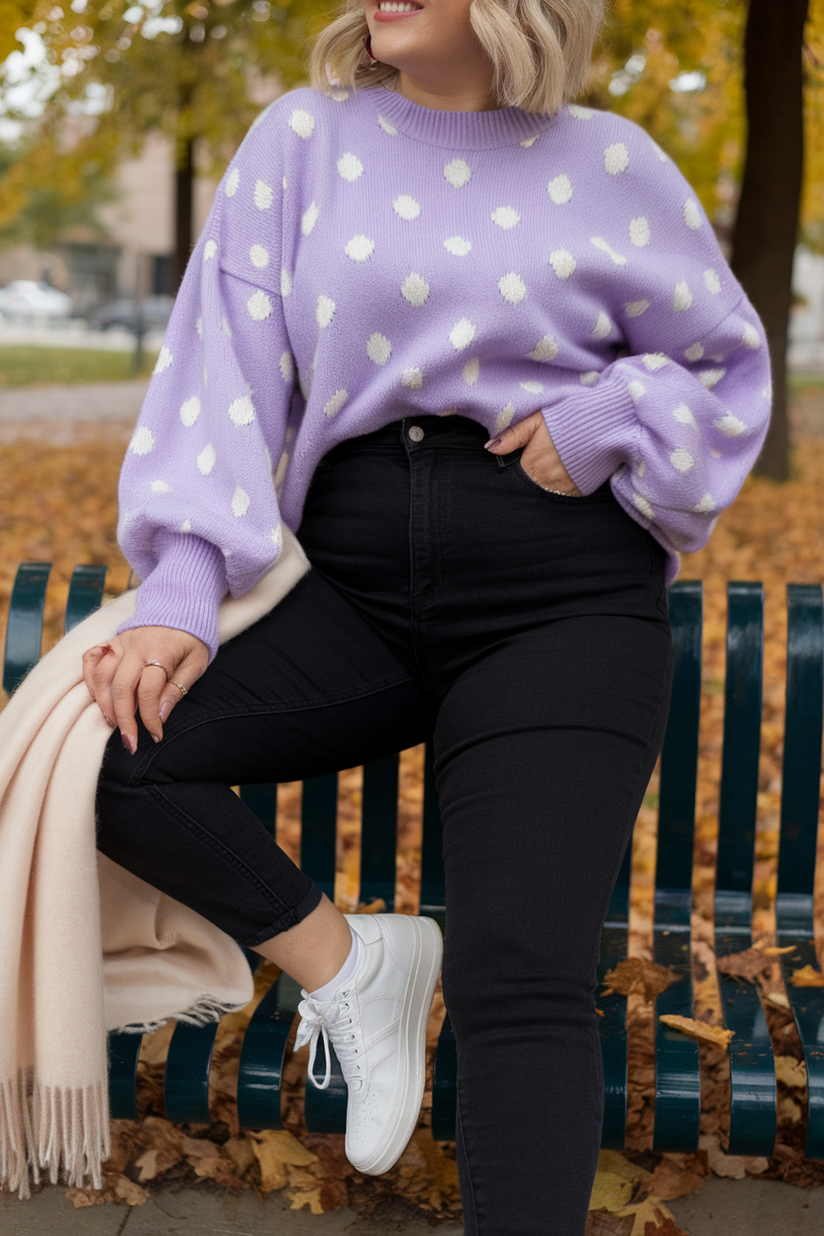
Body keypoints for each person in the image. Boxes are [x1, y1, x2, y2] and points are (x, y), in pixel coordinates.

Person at [85, 0, 771, 1230]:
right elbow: (219, 371)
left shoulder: (613, 161)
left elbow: (725, 366)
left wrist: (606, 414)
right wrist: (181, 585)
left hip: (559, 600)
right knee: (119, 754)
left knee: (523, 971)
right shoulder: (301, 139)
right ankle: (357, 969)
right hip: (348, 589)